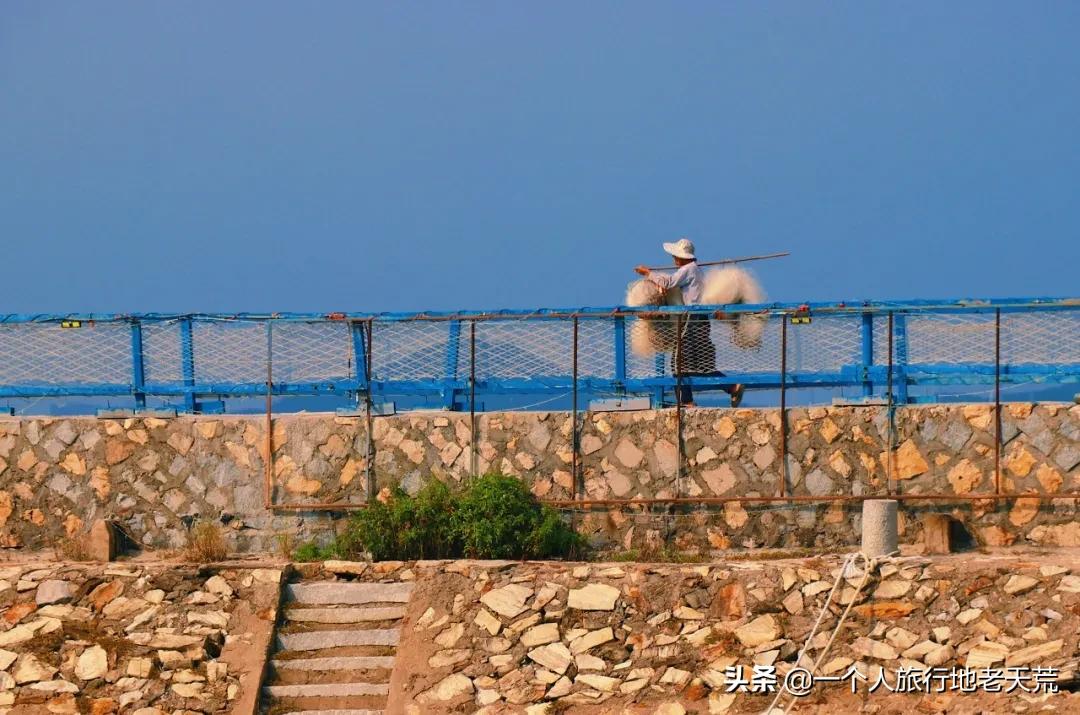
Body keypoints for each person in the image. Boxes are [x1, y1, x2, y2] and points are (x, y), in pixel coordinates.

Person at [635, 238, 744, 407]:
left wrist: (647, 272)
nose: (674, 260)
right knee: (698, 364)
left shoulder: (688, 270)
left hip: (692, 320)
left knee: (679, 363)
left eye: (675, 256)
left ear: (682, 257)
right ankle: (728, 388)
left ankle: (690, 401)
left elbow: (668, 282)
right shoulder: (696, 270)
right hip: (699, 320)